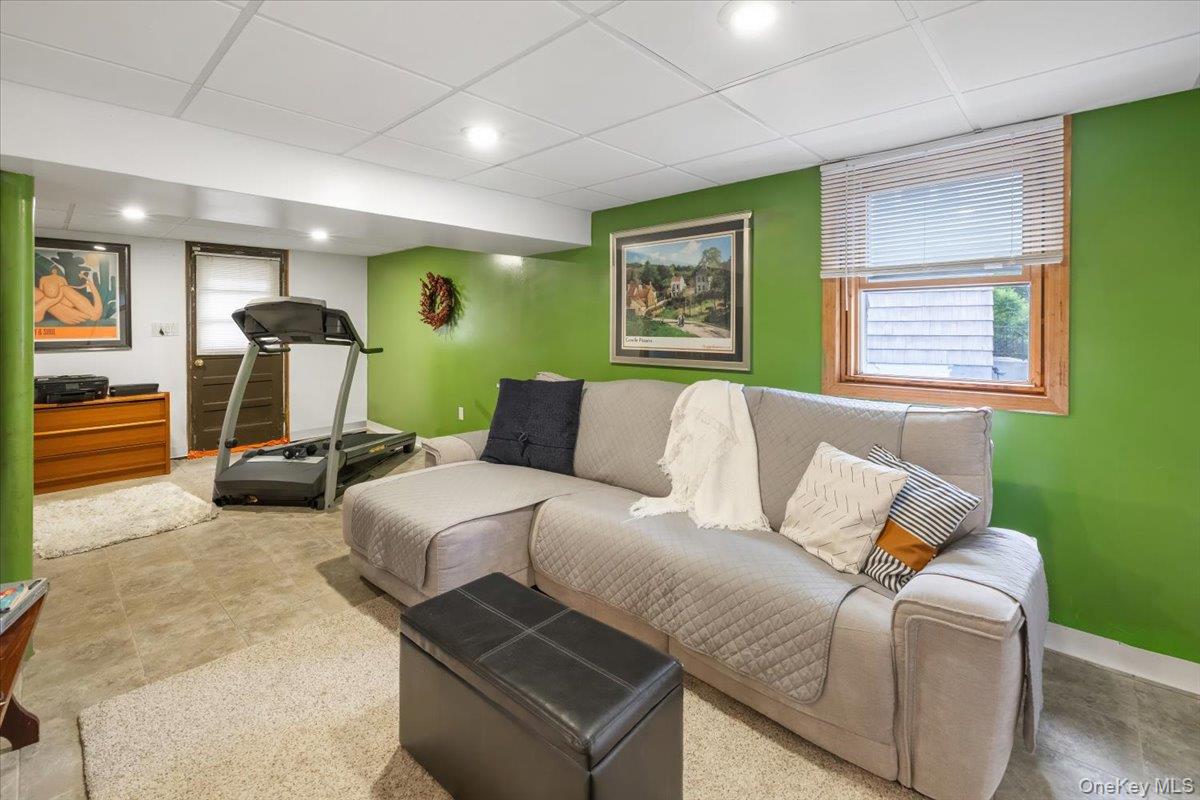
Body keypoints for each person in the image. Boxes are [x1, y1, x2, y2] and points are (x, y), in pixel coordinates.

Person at [33, 264, 103, 324]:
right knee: (94, 316)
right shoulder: (44, 278)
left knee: (94, 316)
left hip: (61, 297)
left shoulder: (59, 279)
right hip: (51, 299)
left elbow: (65, 286)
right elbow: (41, 289)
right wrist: (54, 307)